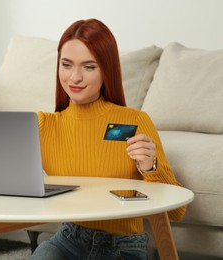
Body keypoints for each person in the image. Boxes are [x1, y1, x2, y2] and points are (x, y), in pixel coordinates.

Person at [31, 18, 186, 260]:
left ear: (107, 70)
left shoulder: (135, 121)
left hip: (123, 246)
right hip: (69, 239)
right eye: (66, 64)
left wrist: (151, 167)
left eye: (89, 67)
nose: (75, 77)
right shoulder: (43, 125)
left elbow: (178, 211)